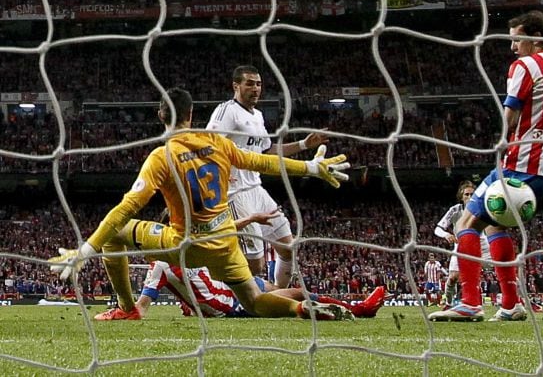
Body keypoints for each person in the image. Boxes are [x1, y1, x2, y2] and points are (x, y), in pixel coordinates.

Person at [49, 87, 353, 321]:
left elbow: (126, 208)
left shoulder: (161, 157)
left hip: (185, 245)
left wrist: (87, 249)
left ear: (160, 116)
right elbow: (263, 162)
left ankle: (127, 309)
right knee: (253, 300)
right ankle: (301, 309)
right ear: (191, 114)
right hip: (224, 243)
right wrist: (312, 168)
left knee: (116, 235)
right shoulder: (218, 143)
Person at [429, 10, 543, 322]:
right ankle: (512, 303)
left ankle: (470, 303)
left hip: (521, 166)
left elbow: (510, 116)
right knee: (494, 224)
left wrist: (505, 141)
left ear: (536, 38)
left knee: (465, 225)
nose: (513, 47)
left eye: (517, 39)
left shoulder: (526, 66)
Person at [206, 65, 329, 287]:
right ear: (236, 86)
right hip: (235, 194)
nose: (256, 88)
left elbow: (268, 151)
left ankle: (277, 298)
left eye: (259, 84)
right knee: (255, 265)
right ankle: (216, 292)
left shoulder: (258, 117)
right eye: (250, 83)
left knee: (287, 249)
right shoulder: (226, 111)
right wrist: (218, 173)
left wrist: (303, 144)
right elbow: (208, 145)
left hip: (257, 189)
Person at [135, 260, 387, 319]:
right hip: (235, 304)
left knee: (275, 287)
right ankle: (360, 308)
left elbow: (201, 281)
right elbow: (141, 307)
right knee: (297, 292)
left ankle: (352, 307)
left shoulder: (195, 248)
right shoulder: (160, 265)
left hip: (235, 288)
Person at [434, 180, 491, 310]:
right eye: (467, 194)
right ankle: (448, 304)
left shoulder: (482, 209)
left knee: (503, 268)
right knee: (453, 277)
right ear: (461, 196)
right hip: (461, 246)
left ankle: (520, 300)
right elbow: (437, 229)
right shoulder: (455, 210)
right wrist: (446, 235)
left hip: (482, 245)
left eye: (472, 194)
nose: (470, 197)